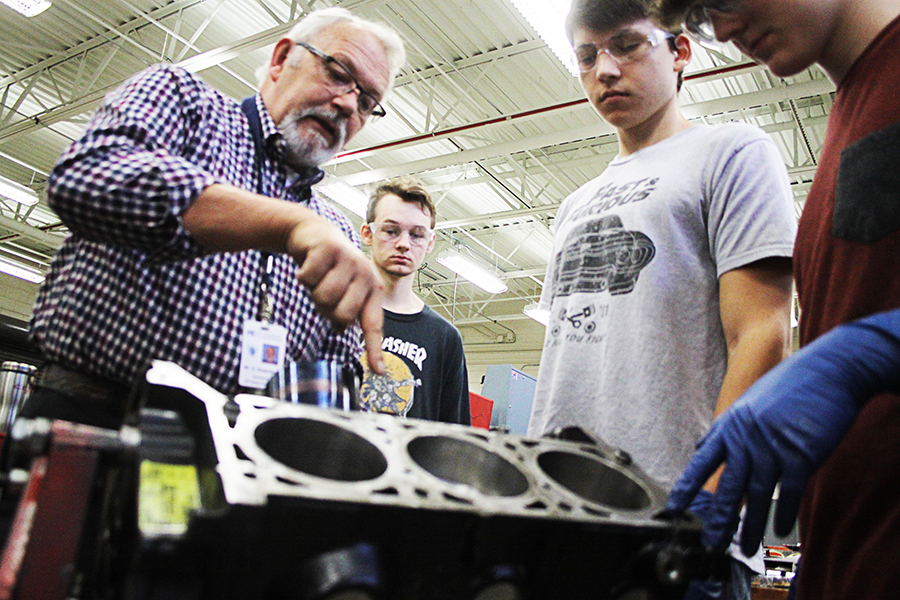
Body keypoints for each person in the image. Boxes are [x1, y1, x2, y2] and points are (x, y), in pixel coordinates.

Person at [525, 0, 797, 597]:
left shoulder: (730, 152)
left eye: (627, 46)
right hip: (558, 517)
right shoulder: (574, 205)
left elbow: (764, 331)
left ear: (679, 52)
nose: (606, 70)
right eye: (588, 56)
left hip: (672, 523)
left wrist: (706, 499)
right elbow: (566, 354)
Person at [24, 7, 406, 429]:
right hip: (92, 427)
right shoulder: (185, 102)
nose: (348, 104)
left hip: (235, 463)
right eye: (337, 72)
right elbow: (87, 179)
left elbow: (327, 379)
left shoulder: (338, 235)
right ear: (281, 59)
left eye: (368, 101)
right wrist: (288, 225)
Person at [654, 1, 900, 598]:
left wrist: (872, 350)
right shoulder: (851, 116)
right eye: (703, 20)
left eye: (723, 0)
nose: (726, 29)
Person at [357, 177, 471, 425]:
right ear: (367, 233)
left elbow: (453, 434)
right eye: (390, 231)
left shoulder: (444, 338)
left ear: (430, 243)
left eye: (417, 235)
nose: (403, 244)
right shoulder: (339, 311)